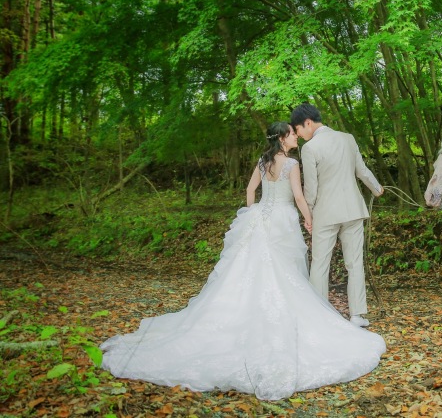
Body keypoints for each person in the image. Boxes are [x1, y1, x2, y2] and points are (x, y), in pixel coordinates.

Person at [100, 122, 386, 401]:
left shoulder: (263, 162)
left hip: (261, 218)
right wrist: (309, 219)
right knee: (284, 271)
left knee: (252, 271)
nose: (296, 137)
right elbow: (299, 196)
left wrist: (254, 216)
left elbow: (250, 192)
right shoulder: (292, 164)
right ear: (284, 138)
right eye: (292, 134)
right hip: (283, 220)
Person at [290, 103, 384, 328]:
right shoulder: (348, 138)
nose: (299, 135)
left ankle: (319, 313)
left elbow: (311, 190)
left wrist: (308, 215)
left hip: (325, 213)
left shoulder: (310, 148)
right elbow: (362, 171)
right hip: (352, 209)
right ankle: (357, 315)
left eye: (298, 130)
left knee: (320, 264)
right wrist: (377, 189)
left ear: (308, 123)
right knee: (355, 263)